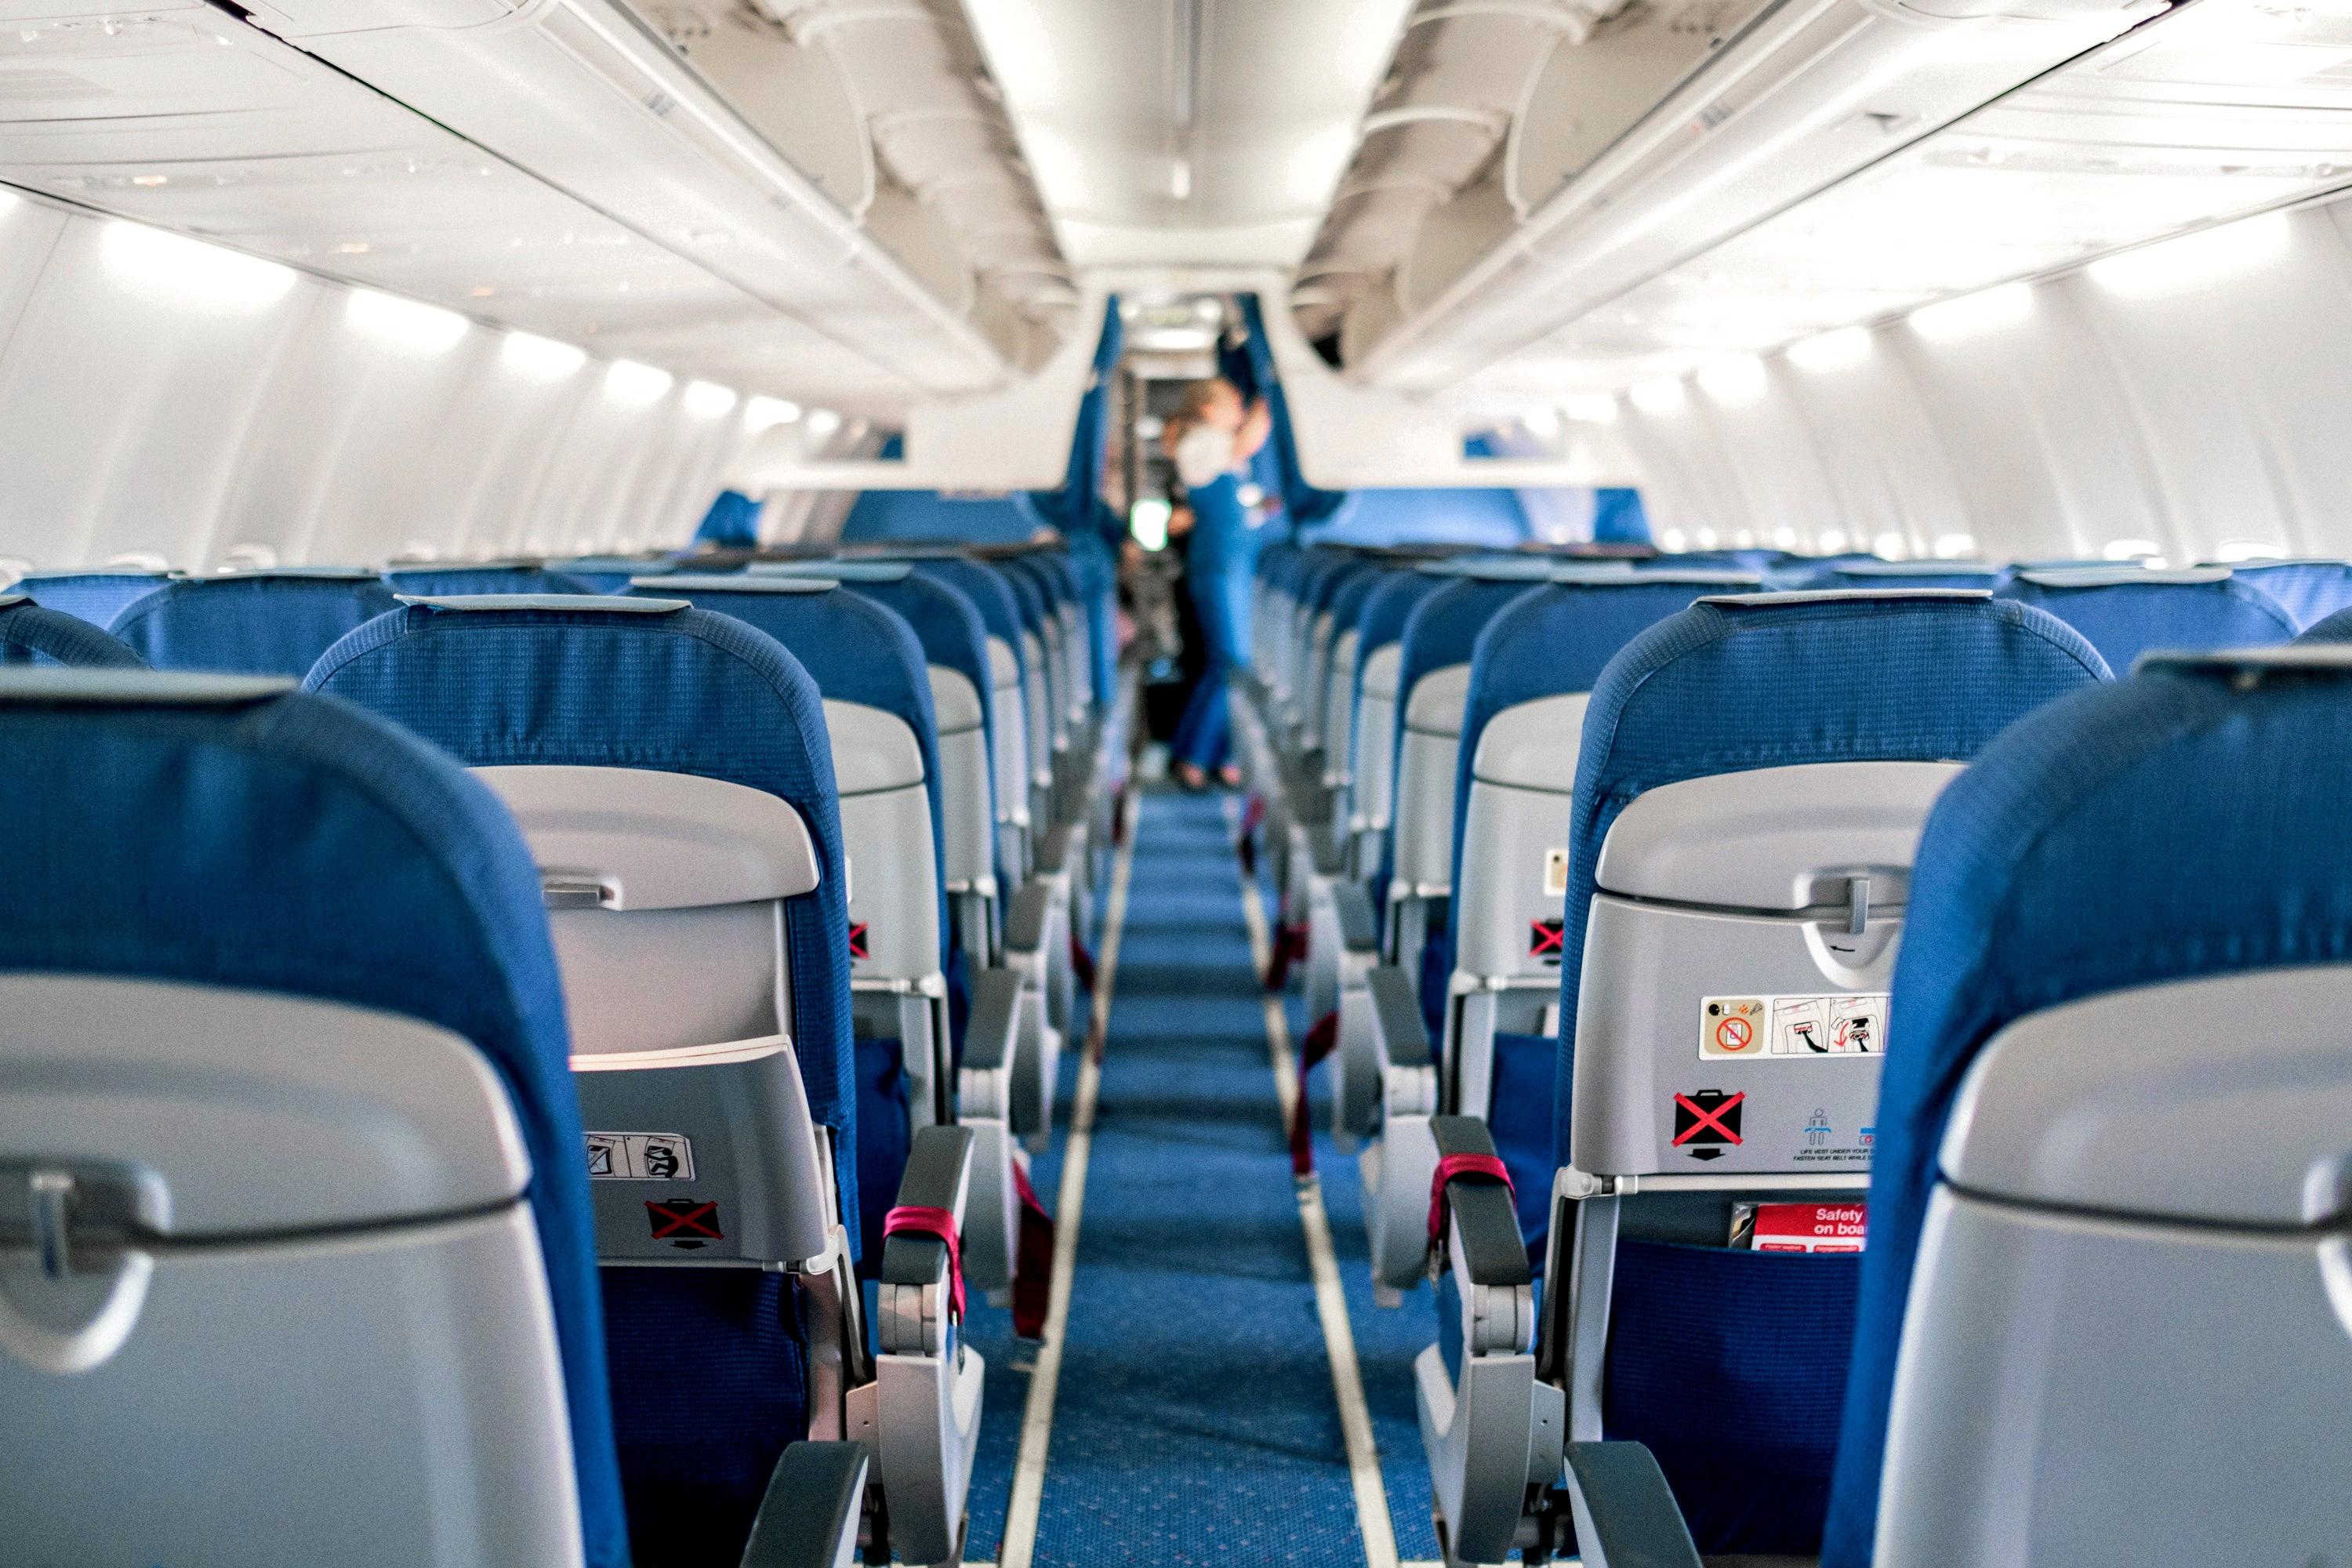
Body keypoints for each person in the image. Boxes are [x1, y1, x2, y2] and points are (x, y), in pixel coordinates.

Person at [1163, 377, 1272, 789]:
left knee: (1226, 664)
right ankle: (1198, 756)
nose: (1240, 410)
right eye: (1233, 403)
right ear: (1209, 410)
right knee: (1230, 662)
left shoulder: (1215, 447)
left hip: (1232, 564)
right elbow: (1247, 441)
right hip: (1218, 565)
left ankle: (1207, 755)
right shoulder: (1201, 443)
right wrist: (1272, 390)